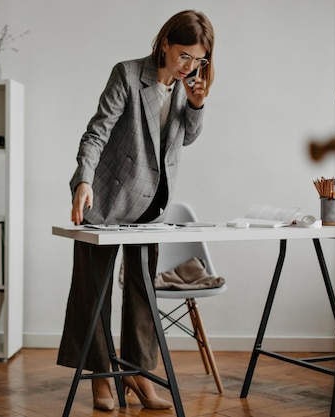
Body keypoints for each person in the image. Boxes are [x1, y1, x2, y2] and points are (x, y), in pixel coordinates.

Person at [57, 9, 215, 412]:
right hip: (106, 201)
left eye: (198, 60)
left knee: (143, 294)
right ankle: (100, 379)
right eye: (184, 56)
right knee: (94, 292)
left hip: (151, 208)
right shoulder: (127, 74)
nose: (190, 67)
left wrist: (196, 104)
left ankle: (137, 376)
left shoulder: (186, 85)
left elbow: (188, 138)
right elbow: (98, 130)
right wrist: (83, 181)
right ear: (165, 43)